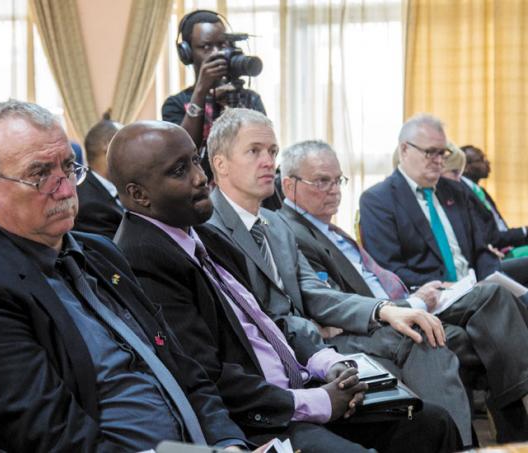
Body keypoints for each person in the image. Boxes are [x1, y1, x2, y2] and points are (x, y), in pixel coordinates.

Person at [110, 121, 460, 452]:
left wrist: (326, 362)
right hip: (259, 418)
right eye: (180, 170)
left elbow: (266, 319)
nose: (201, 178)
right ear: (138, 194)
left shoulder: (200, 232)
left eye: (194, 162)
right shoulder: (141, 258)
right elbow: (207, 376)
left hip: (298, 384)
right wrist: (319, 401)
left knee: (432, 423)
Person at [0, 99, 248, 452]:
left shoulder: (100, 252)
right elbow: (55, 440)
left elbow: (185, 369)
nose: (68, 190)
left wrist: (229, 440)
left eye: (68, 167)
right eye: (40, 175)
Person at [205, 108, 474, 445]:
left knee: (433, 421)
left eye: (272, 151)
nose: (268, 161)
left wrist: (383, 309)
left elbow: (314, 292)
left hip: (313, 357)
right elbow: (259, 317)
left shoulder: (275, 227)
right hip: (272, 377)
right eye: (254, 151)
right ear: (220, 164)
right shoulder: (206, 229)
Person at [278, 139, 528, 443]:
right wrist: (409, 302)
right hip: (379, 318)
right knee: (471, 328)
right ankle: (494, 428)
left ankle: (508, 419)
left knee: (496, 298)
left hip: (404, 300)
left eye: (338, 180)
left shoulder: (326, 227)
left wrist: (415, 294)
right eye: (322, 181)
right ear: (289, 185)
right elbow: (325, 299)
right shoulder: (289, 230)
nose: (335, 189)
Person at [359, 114, 528, 287]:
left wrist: (492, 281)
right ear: (404, 150)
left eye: (442, 153)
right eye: (430, 152)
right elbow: (389, 270)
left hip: (476, 288)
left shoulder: (456, 191)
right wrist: (444, 286)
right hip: (432, 296)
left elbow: (480, 251)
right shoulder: (378, 200)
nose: (439, 161)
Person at [162, 10, 266, 159]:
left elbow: (263, 148)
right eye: (206, 46)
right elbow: (182, 152)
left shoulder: (250, 99)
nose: (217, 53)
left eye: (222, 44)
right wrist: (201, 91)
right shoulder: (175, 104)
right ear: (187, 52)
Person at [461, 144, 528, 257]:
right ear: (465, 167)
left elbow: (500, 228)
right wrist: (524, 231)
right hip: (496, 254)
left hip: (508, 246)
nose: (487, 162)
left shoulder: (480, 191)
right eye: (481, 159)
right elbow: (490, 237)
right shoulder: (464, 194)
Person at [74, 112, 125, 238]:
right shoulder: (89, 205)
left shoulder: (121, 188)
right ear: (108, 144)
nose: (133, 150)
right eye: (127, 142)